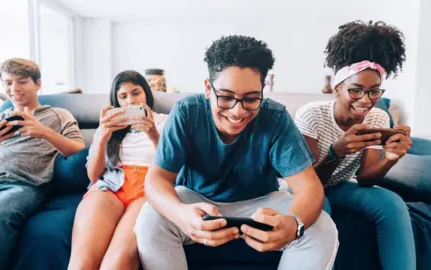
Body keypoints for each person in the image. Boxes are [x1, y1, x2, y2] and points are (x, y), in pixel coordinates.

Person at [134, 35, 338, 270]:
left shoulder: (276, 117)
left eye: (251, 99)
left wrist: (293, 224)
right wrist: (181, 215)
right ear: (208, 89)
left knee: (322, 227)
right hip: (196, 200)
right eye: (226, 97)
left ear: (263, 90)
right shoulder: (186, 112)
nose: (237, 112)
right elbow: (156, 179)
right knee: (149, 219)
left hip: (260, 202)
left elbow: (308, 186)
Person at [294, 20, 415, 270]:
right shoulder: (311, 115)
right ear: (337, 88)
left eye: (374, 92)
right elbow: (307, 180)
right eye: (356, 90)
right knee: (319, 207)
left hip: (342, 186)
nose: (365, 100)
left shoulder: (378, 117)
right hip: (307, 187)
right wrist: (336, 152)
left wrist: (390, 159)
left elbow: (365, 179)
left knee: (392, 203)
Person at [0, 58, 85, 270]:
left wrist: (43, 132)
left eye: (22, 82)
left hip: (22, 186)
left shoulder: (58, 116)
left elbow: (80, 152)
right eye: (8, 83)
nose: (14, 89)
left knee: (0, 212)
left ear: (37, 84)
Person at [68, 71, 167, 270]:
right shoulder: (109, 126)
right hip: (111, 184)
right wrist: (103, 135)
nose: (130, 101)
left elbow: (172, 166)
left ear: (146, 93)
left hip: (149, 186)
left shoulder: (165, 121)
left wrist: (152, 134)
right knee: (81, 264)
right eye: (123, 96)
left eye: (136, 93)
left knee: (116, 264)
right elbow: (93, 175)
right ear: (117, 101)